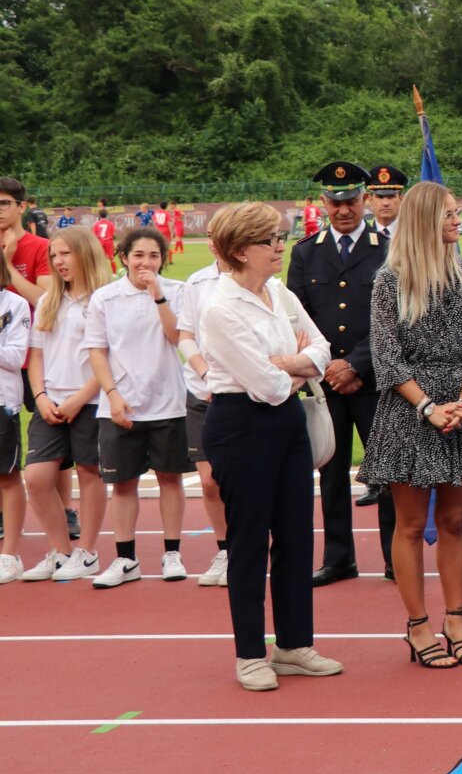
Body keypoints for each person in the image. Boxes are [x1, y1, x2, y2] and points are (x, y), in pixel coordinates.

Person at [197, 201, 342, 691]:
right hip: (241, 425)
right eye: (270, 240)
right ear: (239, 250)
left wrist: (292, 360)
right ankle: (250, 653)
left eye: (280, 237)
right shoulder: (219, 308)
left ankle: (294, 644)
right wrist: (295, 364)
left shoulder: (279, 293)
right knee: (250, 540)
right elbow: (266, 385)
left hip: (286, 424)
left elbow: (323, 351)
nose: (281, 246)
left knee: (298, 534)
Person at [362, 182, 462, 668]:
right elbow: (386, 357)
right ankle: (417, 624)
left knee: (452, 522)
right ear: (425, 220)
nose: (458, 220)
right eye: (449, 213)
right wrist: (428, 407)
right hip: (409, 414)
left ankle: (457, 619)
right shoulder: (390, 281)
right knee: (408, 525)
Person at [288, 162, 395, 585]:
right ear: (323, 203)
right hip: (326, 385)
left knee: (386, 473)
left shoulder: (387, 248)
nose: (343, 210)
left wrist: (355, 365)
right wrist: (331, 366)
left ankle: (393, 557)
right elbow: (297, 319)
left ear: (365, 200)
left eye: (351, 201)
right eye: (335, 202)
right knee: (330, 473)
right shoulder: (305, 252)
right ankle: (339, 558)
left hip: (376, 382)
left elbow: (393, 317)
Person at [84, 226, 190, 587]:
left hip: (169, 402)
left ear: (164, 259)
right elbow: (97, 350)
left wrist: (158, 295)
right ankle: (126, 559)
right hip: (121, 405)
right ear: (124, 257)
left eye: (154, 256)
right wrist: (112, 395)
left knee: (170, 479)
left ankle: (172, 552)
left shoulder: (177, 291)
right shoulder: (105, 298)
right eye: (139, 255)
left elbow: (178, 339)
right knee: (123, 484)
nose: (146, 262)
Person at [17, 230, 111, 582]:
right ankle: (61, 551)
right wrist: (40, 396)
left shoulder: (103, 300)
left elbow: (110, 357)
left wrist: (81, 397)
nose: (58, 261)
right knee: (37, 477)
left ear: (85, 254)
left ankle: (87, 551)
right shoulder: (48, 301)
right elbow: (37, 355)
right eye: (54, 255)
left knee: (89, 472)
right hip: (50, 401)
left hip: (91, 401)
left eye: (65, 254)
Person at [173, 255, 232, 587]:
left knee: (242, 480)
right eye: (209, 234)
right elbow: (185, 336)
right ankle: (225, 550)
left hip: (240, 392)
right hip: (202, 392)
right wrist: (206, 374)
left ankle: (246, 547)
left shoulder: (260, 280)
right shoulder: (196, 282)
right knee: (209, 482)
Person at [0, 296, 27, 583]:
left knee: (7, 476)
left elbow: (16, 358)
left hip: (2, 401)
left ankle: (9, 556)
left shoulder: (13, 304)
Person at [1, 176, 52, 311]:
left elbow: (45, 302)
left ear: (21, 207)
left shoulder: (43, 247)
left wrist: (7, 265)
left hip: (29, 330)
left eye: (4, 203)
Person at [364, 165, 407, 240]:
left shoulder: (411, 231)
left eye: (391, 197)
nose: (385, 203)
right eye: (380, 197)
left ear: (401, 199)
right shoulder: (362, 233)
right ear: (370, 199)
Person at [91, 205, 117, 273]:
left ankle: (100, 273)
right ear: (107, 215)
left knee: (99, 259)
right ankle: (114, 273)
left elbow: (93, 235)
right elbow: (113, 234)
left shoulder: (96, 224)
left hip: (100, 241)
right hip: (108, 241)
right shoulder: (110, 224)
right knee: (112, 259)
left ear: (99, 215)